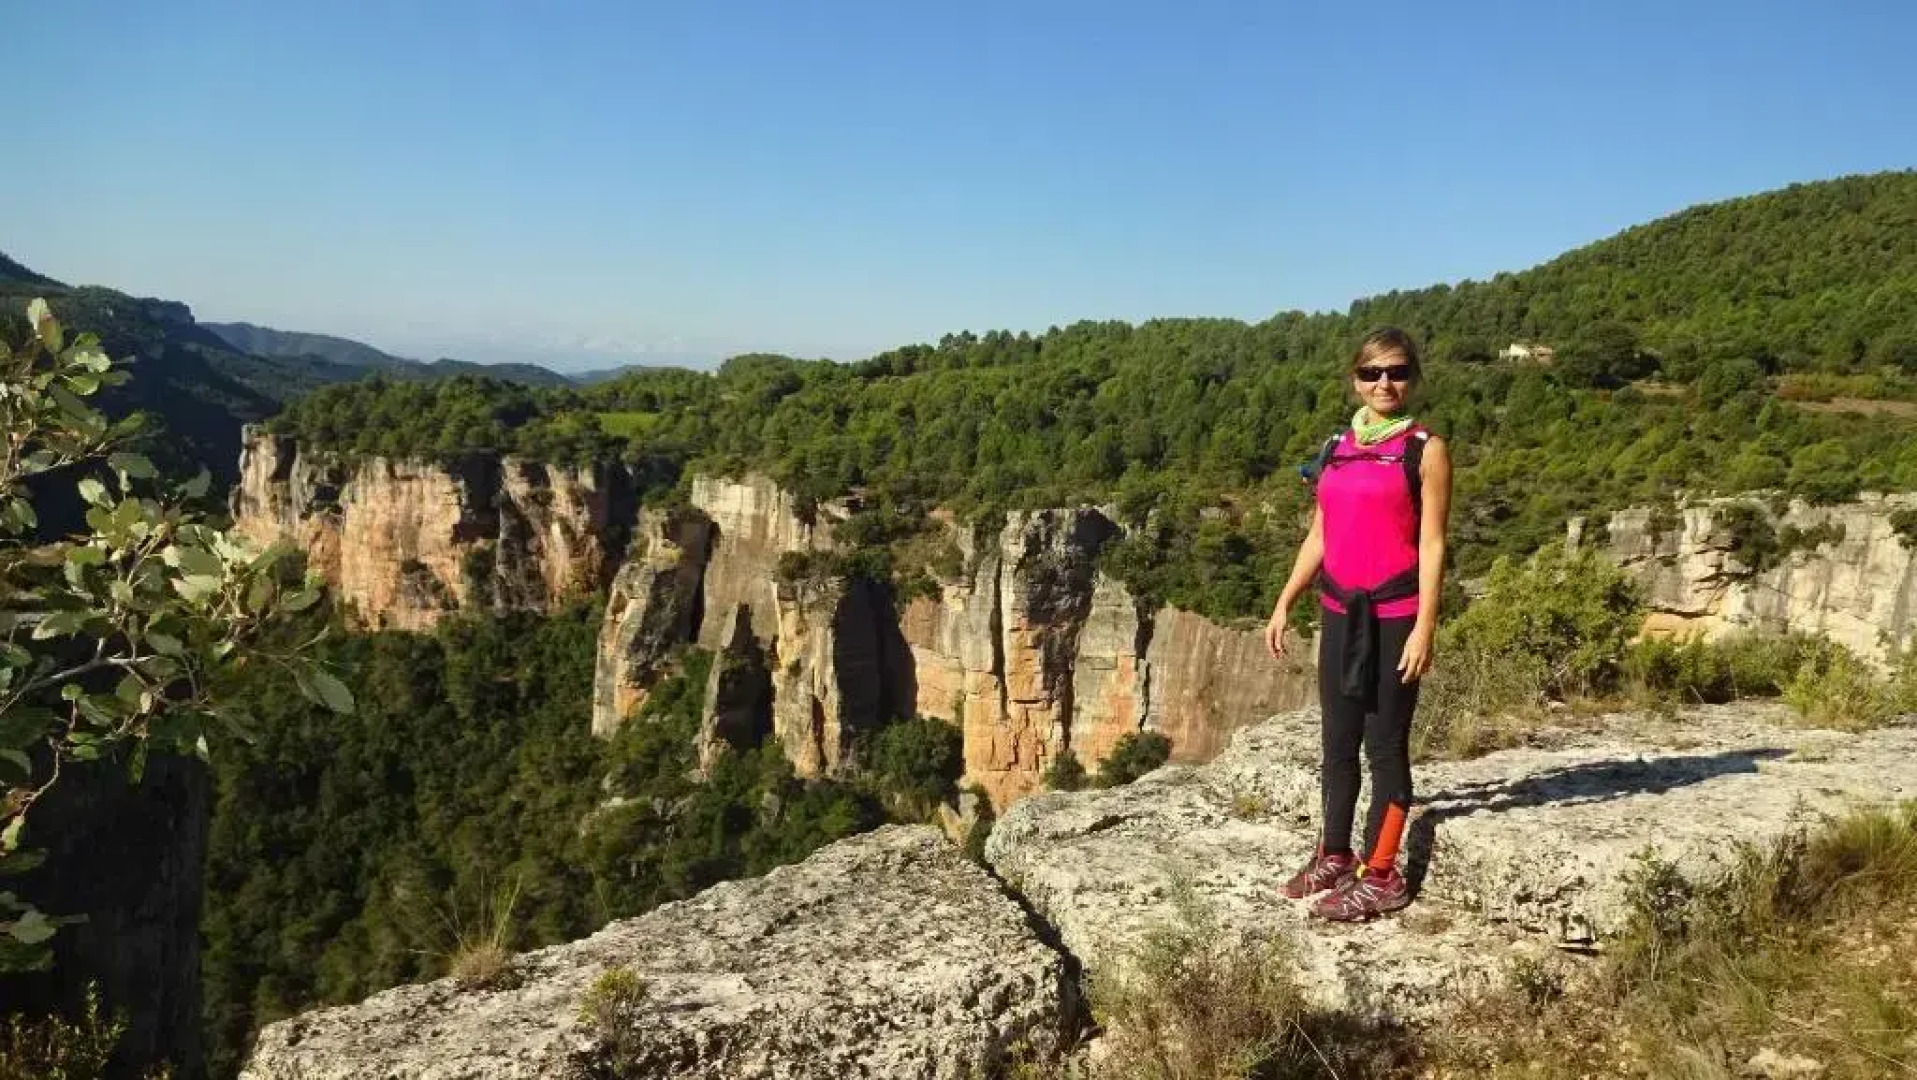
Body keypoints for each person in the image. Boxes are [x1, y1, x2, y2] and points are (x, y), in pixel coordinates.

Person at [1263, 326, 1452, 921]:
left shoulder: (1426, 449)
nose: (1384, 383)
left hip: (1395, 615)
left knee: (1385, 746)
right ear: (1355, 379)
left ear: (1412, 378)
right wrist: (1286, 599)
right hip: (1340, 611)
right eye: (1372, 373)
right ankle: (1336, 854)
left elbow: (1433, 540)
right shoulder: (1337, 446)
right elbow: (1321, 532)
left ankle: (1382, 873)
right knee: (1337, 743)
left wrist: (1425, 625)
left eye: (1395, 372)